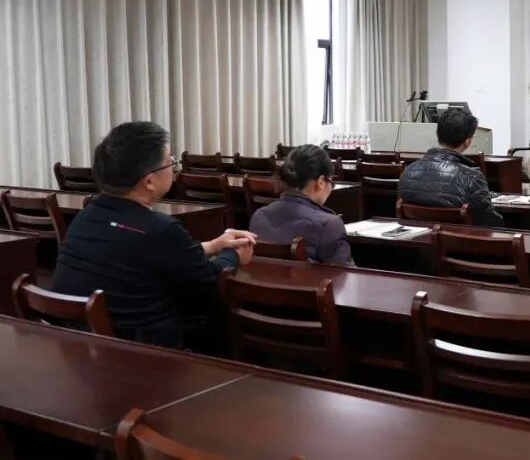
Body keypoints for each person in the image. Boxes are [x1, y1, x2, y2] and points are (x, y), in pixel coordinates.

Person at [51, 121, 256, 349]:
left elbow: (155, 255)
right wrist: (234, 255)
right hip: (143, 353)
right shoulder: (159, 229)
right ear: (149, 181)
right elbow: (209, 282)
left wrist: (214, 245)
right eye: (170, 162)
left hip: (81, 345)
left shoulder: (86, 216)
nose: (173, 168)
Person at [249, 144, 355, 267]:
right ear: (321, 182)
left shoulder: (259, 216)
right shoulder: (329, 225)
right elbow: (345, 275)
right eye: (331, 182)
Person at [398, 108, 504, 227]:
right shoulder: (473, 178)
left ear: (437, 134)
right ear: (468, 142)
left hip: (420, 237)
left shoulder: (407, 173)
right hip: (458, 239)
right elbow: (489, 222)